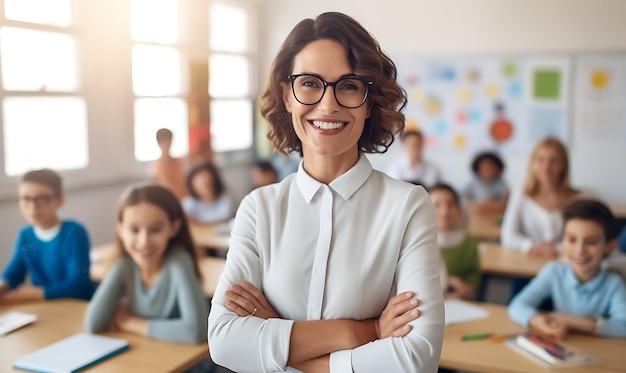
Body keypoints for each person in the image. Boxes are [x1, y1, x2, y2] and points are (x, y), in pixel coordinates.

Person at [208, 12, 444, 373]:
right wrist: (366, 331)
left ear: (369, 101)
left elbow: (416, 359)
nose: (328, 104)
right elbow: (224, 341)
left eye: (349, 85)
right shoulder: (259, 208)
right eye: (309, 84)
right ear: (287, 96)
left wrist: (280, 338)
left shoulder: (408, 206)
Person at [84, 184, 208, 344]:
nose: (144, 241)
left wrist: (130, 322)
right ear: (121, 230)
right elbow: (93, 323)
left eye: (155, 229)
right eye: (134, 230)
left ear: (174, 228)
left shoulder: (179, 262)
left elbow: (195, 331)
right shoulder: (124, 265)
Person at [508, 200, 626, 339]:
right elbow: (517, 305)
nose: (579, 250)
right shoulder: (553, 272)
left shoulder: (613, 284)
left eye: (592, 242)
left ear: (610, 246)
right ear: (562, 241)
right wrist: (537, 321)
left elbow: (623, 326)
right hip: (563, 343)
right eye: (571, 239)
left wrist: (570, 321)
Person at [0, 169, 93, 303]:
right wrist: (3, 285)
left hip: (76, 307)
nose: (33, 207)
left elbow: (78, 284)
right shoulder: (26, 236)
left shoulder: (74, 233)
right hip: (45, 307)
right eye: (26, 199)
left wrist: (24, 295)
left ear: (59, 200)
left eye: (42, 199)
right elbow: (14, 273)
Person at [501, 137, 580, 257]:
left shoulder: (579, 199)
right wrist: (533, 246)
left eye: (553, 161)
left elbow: (583, 238)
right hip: (527, 262)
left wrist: (556, 248)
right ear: (532, 163)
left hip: (565, 263)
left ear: (563, 165)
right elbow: (508, 237)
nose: (546, 167)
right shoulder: (520, 195)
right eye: (540, 160)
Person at [430, 183, 481, 300]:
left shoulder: (469, 243)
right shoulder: (416, 242)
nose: (444, 211)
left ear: (458, 208)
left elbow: (473, 285)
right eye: (436, 205)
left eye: (450, 204)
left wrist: (462, 290)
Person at [463, 151, 509, 215]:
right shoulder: (471, 185)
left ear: (497, 169)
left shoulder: (502, 185)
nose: (488, 170)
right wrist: (478, 205)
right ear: (478, 169)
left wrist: (493, 205)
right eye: (484, 167)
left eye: (491, 167)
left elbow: (507, 203)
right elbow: (463, 202)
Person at [150, 128, 189, 200]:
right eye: (163, 141)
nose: (166, 144)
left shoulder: (179, 162)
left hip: (183, 200)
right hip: (167, 200)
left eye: (168, 141)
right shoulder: (156, 166)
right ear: (158, 143)